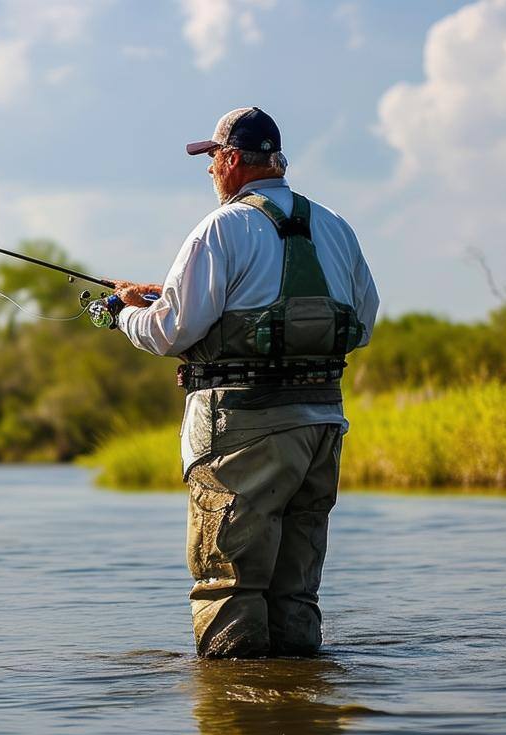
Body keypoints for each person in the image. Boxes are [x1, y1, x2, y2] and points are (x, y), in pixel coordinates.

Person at [106, 107, 379, 658]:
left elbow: (169, 332)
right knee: (295, 589)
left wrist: (121, 313)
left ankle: (240, 723)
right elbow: (363, 321)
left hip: (240, 434)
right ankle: (303, 710)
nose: (208, 171)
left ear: (231, 159)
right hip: (322, 428)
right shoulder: (335, 225)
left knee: (229, 585)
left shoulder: (222, 227)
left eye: (210, 160)